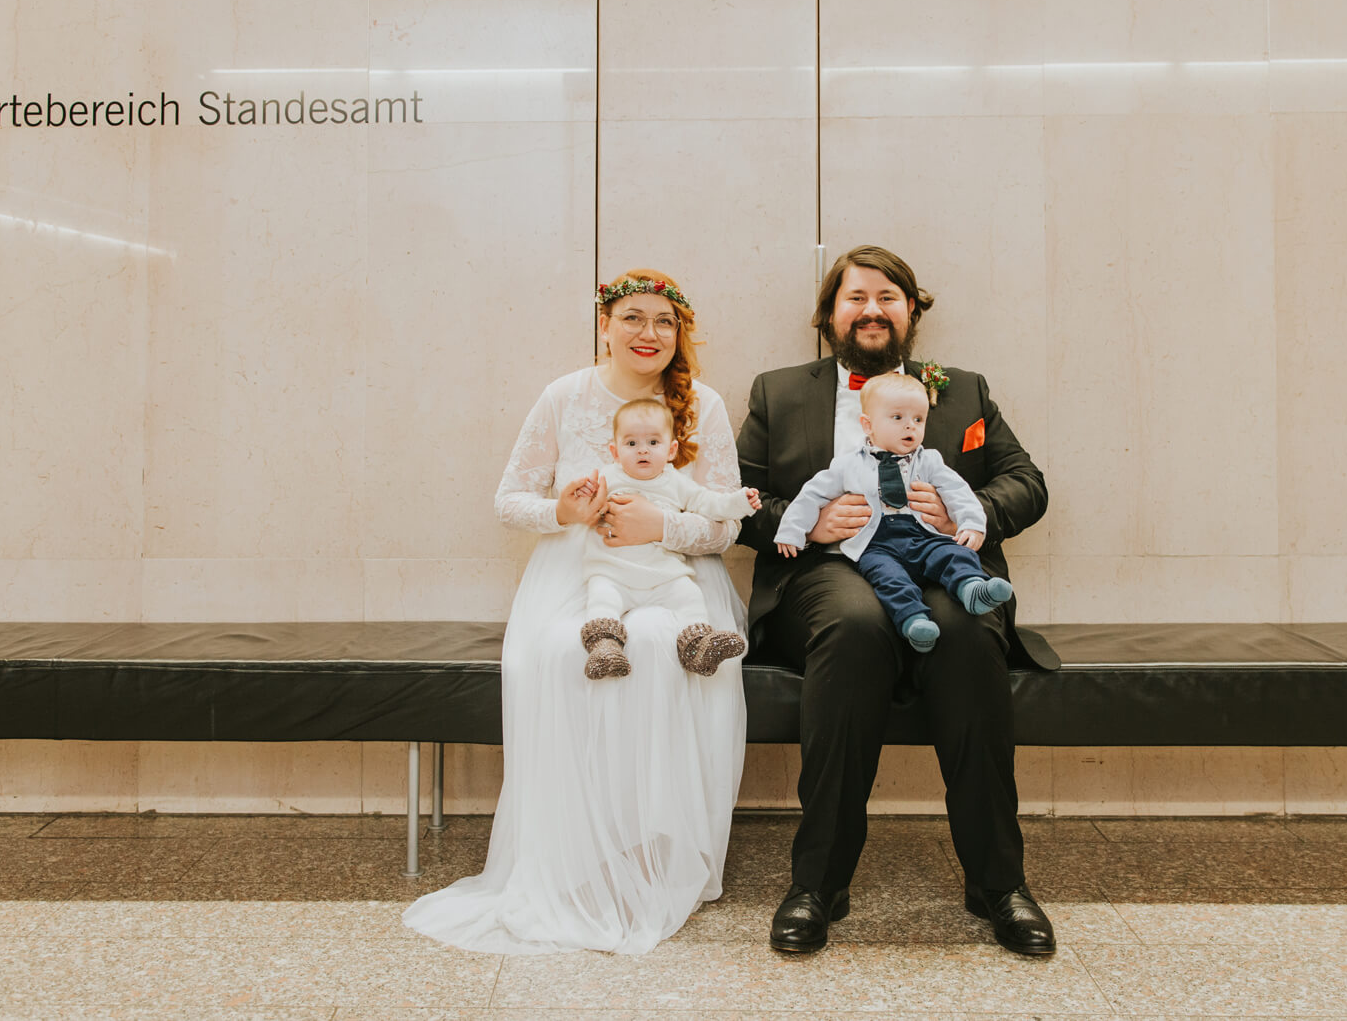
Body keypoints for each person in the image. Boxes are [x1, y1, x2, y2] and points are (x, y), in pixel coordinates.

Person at [402, 269, 749, 955]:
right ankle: (579, 854)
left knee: (661, 642)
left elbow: (725, 525)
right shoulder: (564, 397)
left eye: (664, 322)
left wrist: (660, 526)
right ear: (605, 324)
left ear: (680, 333)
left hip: (676, 572)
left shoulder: (701, 404)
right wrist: (563, 511)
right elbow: (509, 500)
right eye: (634, 318)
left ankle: (658, 852)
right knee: (564, 655)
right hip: (576, 573)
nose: (649, 334)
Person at [736, 245, 1058, 956]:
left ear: (911, 312)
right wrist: (807, 521)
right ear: (829, 315)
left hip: (945, 570)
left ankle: (998, 882)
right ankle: (818, 883)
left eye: (888, 296)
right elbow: (737, 497)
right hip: (824, 572)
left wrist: (964, 518)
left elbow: (1025, 482)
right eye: (856, 297)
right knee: (853, 629)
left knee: (970, 634)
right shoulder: (779, 391)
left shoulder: (963, 391)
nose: (872, 309)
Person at [773, 373, 1013, 653]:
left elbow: (959, 491)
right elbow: (811, 495)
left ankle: (972, 588)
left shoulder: (929, 461)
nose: (910, 425)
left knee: (955, 554)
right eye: (897, 418)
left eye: (918, 419)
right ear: (868, 425)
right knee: (887, 577)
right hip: (877, 544)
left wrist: (971, 524)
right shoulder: (847, 465)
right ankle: (914, 621)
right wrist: (793, 530)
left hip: (924, 537)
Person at [578, 397, 762, 679]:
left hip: (663, 574)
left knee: (690, 596)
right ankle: (605, 647)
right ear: (614, 452)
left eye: (653, 443)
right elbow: (587, 509)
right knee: (601, 597)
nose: (643, 450)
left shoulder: (675, 482)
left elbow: (710, 504)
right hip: (613, 571)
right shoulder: (606, 478)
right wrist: (586, 498)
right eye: (631, 444)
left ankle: (697, 648)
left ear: (671, 449)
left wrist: (740, 502)